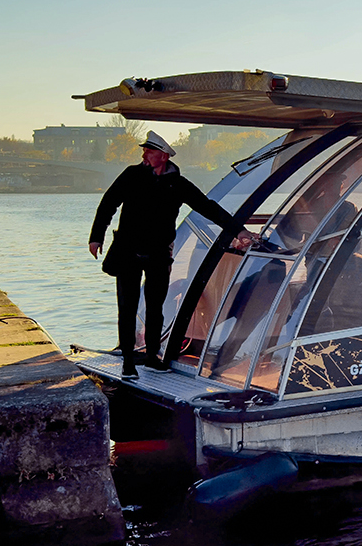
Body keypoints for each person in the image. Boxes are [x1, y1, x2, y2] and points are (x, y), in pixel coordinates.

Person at [89, 131, 253, 379]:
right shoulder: (132, 175)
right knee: (127, 306)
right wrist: (96, 237)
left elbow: (208, 208)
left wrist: (238, 231)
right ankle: (128, 363)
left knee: (156, 308)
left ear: (163, 156)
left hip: (158, 254)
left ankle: (152, 357)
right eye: (144, 150)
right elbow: (108, 203)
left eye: (150, 151)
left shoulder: (178, 184)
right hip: (127, 252)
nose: (144, 154)